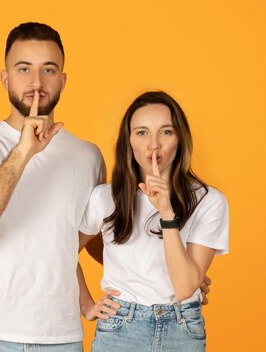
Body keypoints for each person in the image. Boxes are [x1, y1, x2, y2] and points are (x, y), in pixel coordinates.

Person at [0, 22, 105, 351]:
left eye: (49, 70)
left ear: (62, 80)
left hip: (60, 338)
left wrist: (169, 274)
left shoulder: (88, 156)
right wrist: (23, 152)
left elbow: (89, 242)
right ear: (5, 78)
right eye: (23, 69)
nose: (36, 83)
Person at [77, 91, 229, 351]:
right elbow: (62, 252)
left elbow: (183, 288)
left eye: (166, 132)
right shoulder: (105, 198)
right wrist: (86, 305)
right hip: (120, 327)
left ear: (180, 139)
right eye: (142, 132)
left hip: (182, 327)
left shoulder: (209, 201)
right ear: (129, 141)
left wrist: (167, 214)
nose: (154, 144)